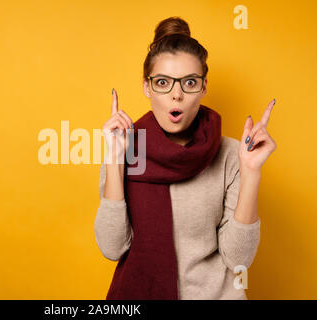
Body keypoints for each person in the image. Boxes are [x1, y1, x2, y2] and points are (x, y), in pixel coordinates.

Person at [94, 16, 277, 300]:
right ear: (147, 87)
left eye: (189, 82)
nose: (176, 95)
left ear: (203, 88)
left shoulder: (231, 154)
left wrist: (251, 172)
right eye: (163, 82)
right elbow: (112, 247)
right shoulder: (123, 147)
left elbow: (237, 258)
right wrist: (117, 160)